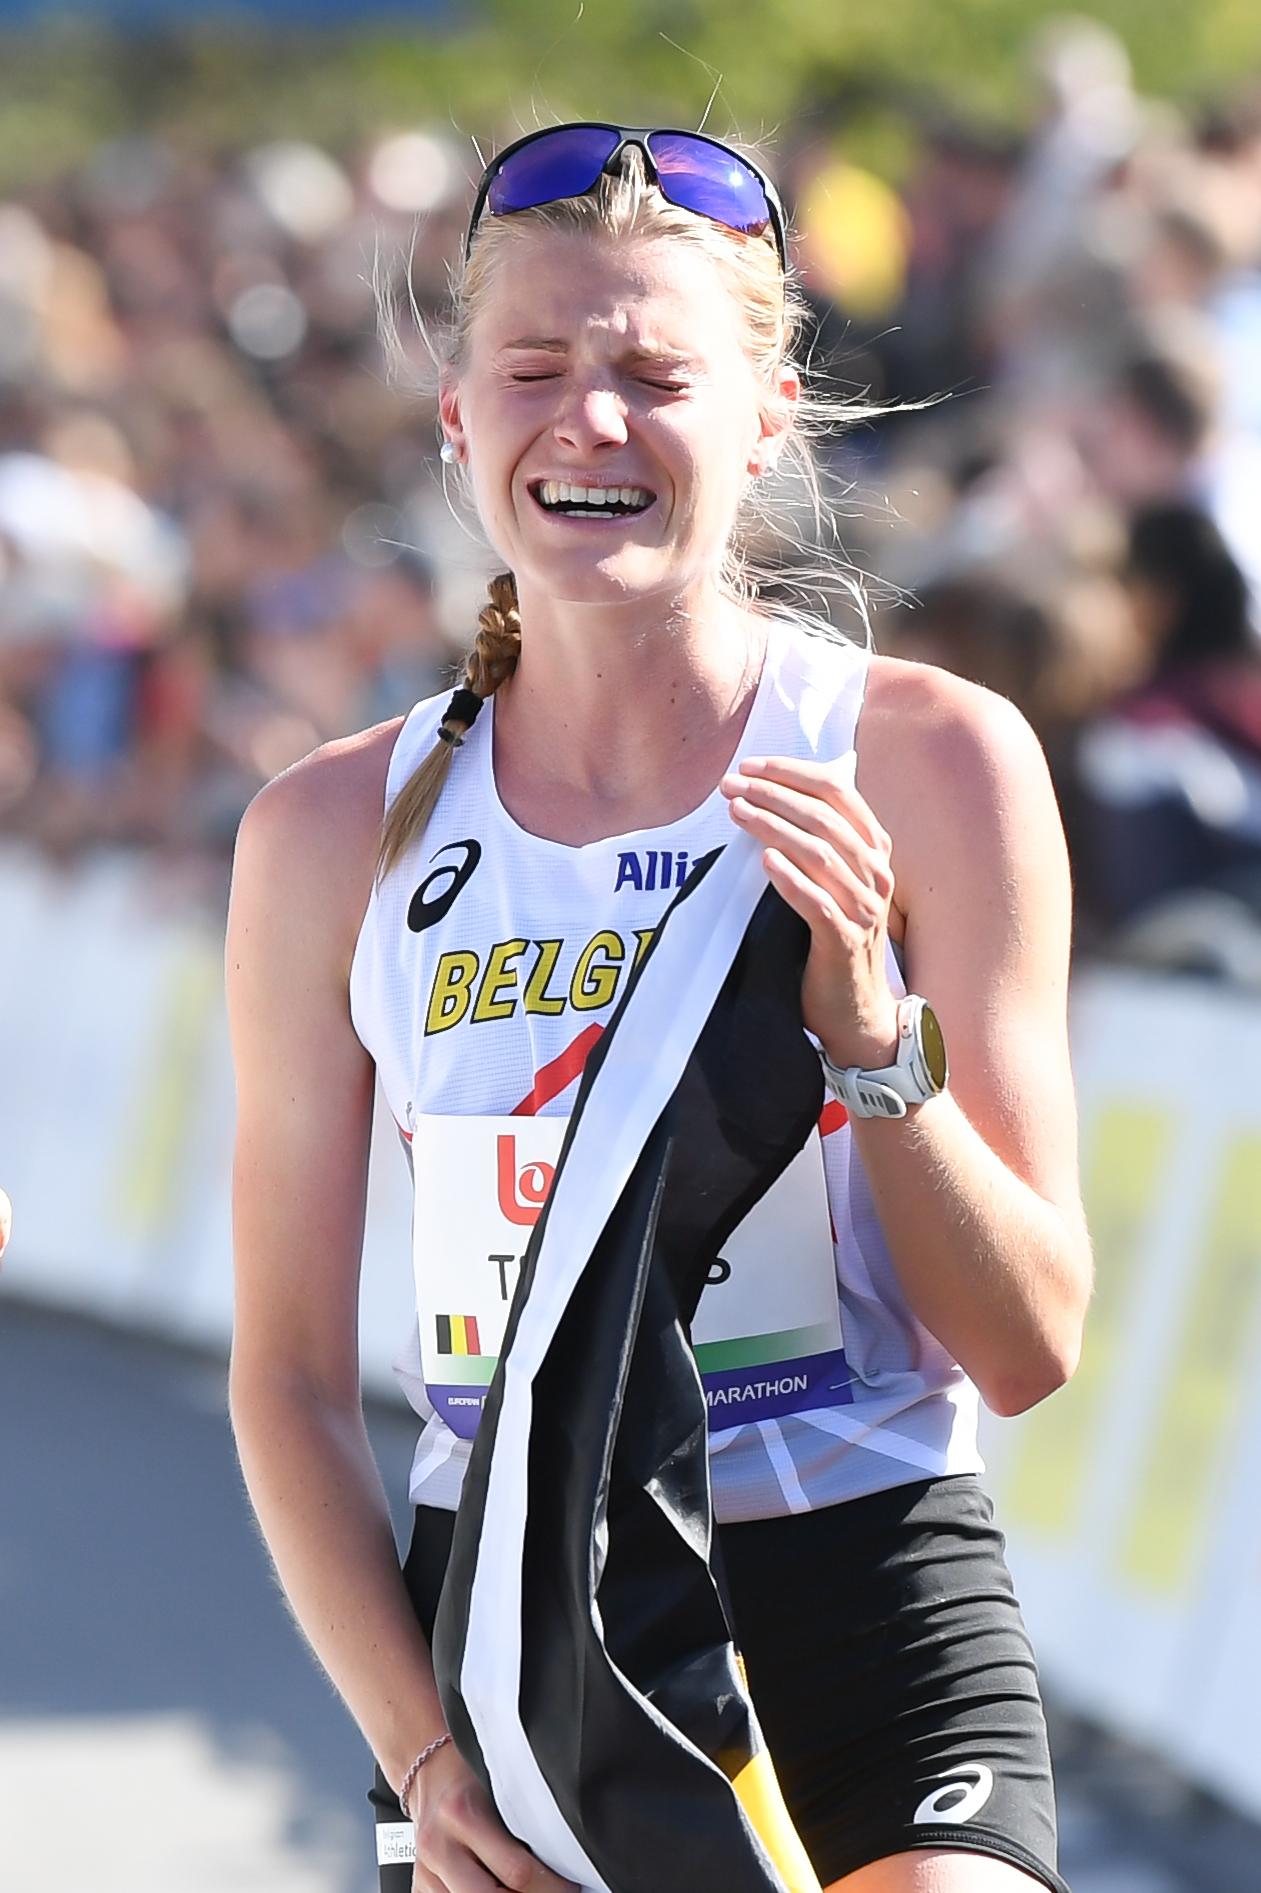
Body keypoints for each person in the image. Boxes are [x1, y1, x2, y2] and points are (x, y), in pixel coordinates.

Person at [226, 122, 1091, 1893]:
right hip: (517, 1633)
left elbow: (1026, 1347)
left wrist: (872, 1051)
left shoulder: (926, 760)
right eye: (534, 370)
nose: (591, 422)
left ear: (766, 416)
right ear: (457, 420)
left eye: (653, 375)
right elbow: (295, 1380)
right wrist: (420, 1754)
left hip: (868, 1590)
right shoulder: (329, 832)